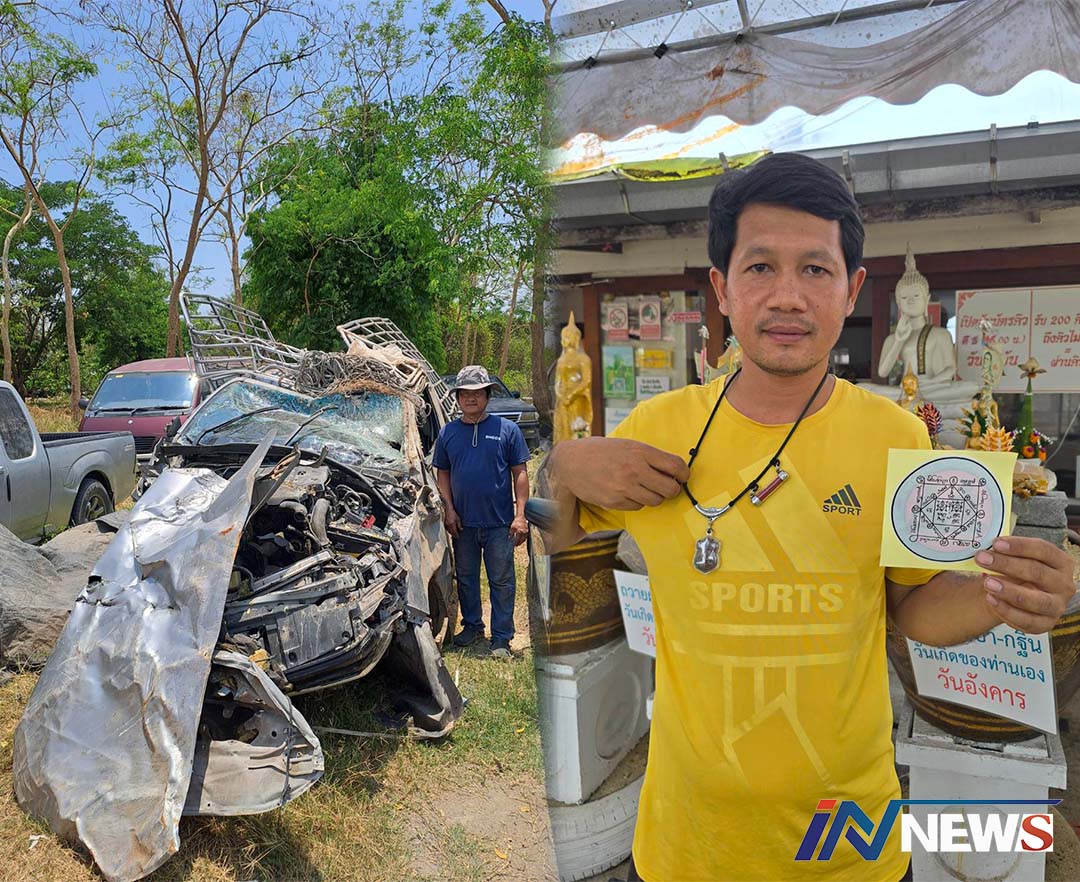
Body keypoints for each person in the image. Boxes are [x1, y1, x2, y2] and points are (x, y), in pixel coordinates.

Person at [546, 153, 1075, 882]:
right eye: (760, 267)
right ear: (722, 289)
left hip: (848, 845)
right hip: (686, 844)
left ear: (851, 288)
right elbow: (559, 540)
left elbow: (912, 608)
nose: (788, 296)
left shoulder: (895, 437)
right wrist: (561, 466)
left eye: (816, 269)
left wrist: (1002, 596)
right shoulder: (655, 431)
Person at [434, 365, 531, 658]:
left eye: (477, 393)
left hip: (500, 523)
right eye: (464, 393)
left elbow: (520, 473)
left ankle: (501, 637)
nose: (471, 398)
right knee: (466, 577)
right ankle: (472, 626)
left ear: (488, 395)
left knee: (502, 580)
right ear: (457, 398)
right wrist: (449, 509)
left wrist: (520, 515)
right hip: (463, 523)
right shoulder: (448, 433)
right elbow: (443, 473)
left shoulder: (507, 430)